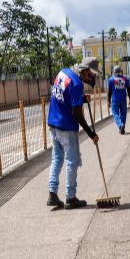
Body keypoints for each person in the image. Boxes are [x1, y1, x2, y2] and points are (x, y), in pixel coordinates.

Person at [47, 57, 100, 209]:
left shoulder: (63, 73)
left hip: (53, 122)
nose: (92, 78)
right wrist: (91, 134)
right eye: (91, 75)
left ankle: (52, 193)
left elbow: (64, 97)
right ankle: (70, 197)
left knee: (57, 158)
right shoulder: (77, 84)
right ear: (84, 71)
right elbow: (77, 115)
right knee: (72, 160)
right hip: (66, 127)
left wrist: (81, 99)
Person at [108, 65, 130, 134]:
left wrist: (108, 101)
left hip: (115, 100)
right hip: (123, 100)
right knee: (123, 114)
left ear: (114, 72)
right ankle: (122, 127)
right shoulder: (125, 79)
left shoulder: (111, 79)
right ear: (121, 71)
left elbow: (109, 91)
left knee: (115, 114)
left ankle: (120, 125)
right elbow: (129, 90)